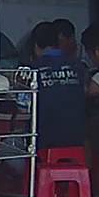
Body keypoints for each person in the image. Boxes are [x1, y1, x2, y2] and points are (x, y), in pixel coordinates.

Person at [31, 22, 86, 151]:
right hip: (77, 139)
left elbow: (23, 106)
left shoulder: (34, 69)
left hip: (45, 141)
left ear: (36, 46)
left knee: (10, 146)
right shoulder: (78, 66)